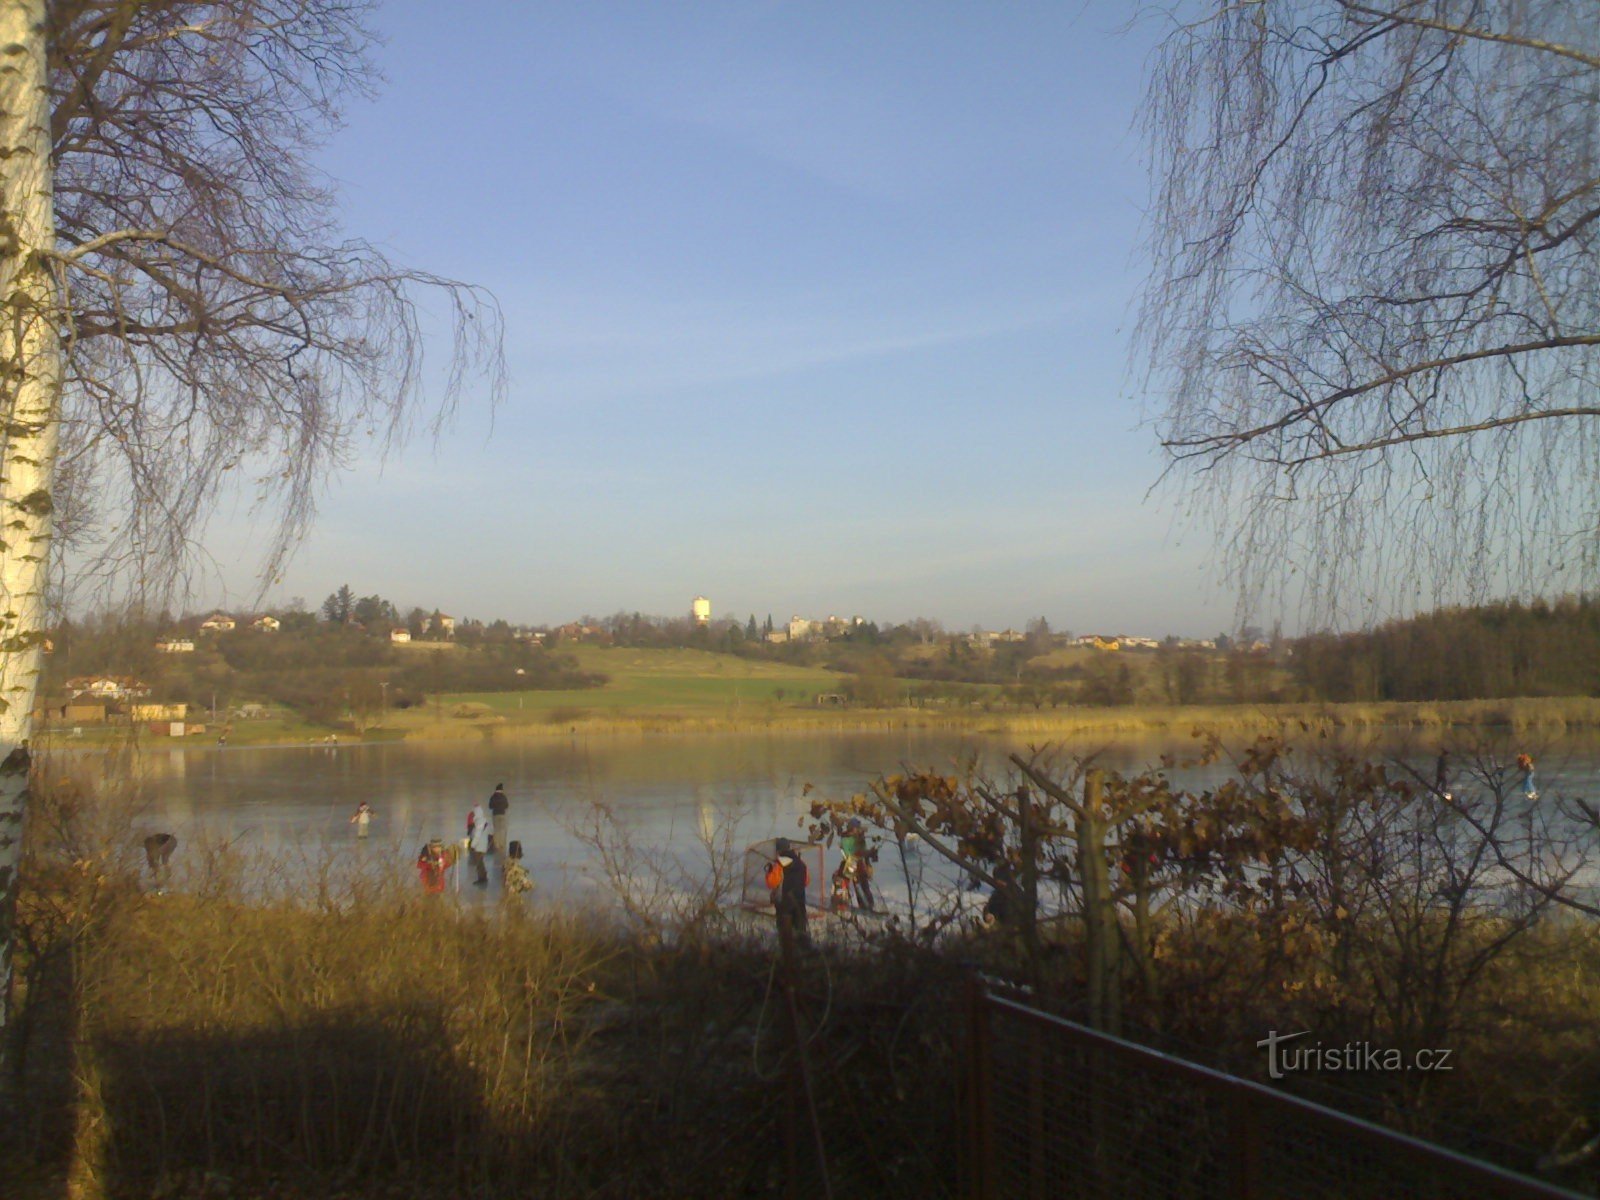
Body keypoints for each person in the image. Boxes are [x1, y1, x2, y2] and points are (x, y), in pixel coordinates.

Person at [768, 837, 810, 947]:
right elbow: (806, 881)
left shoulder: (778, 864)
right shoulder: (801, 863)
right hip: (800, 902)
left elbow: (772, 882)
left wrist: (769, 872)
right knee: (800, 932)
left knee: (785, 935)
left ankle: (787, 959)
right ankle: (803, 957)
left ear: (778, 850)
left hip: (784, 904)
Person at [840, 818, 875, 911]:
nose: (858, 830)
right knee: (857, 885)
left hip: (860, 863)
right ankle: (862, 905)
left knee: (865, 884)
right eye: (856, 828)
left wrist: (868, 864)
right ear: (852, 828)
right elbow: (847, 853)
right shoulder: (845, 839)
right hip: (851, 863)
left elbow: (864, 851)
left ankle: (870, 904)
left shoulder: (860, 838)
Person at [466, 801, 491, 886]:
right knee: (480, 862)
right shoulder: (483, 820)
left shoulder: (479, 821)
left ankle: (482, 878)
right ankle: (483, 877)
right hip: (482, 845)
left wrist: (473, 845)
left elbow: (477, 835)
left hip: (479, 845)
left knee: (479, 863)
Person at [488, 782, 509, 853]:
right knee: (502, 829)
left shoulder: (493, 797)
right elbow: (506, 806)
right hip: (502, 814)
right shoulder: (504, 797)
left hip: (495, 815)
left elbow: (490, 806)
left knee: (496, 830)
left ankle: (496, 845)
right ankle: (502, 845)